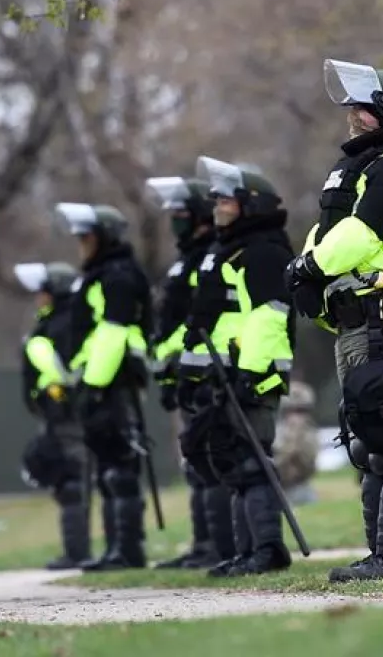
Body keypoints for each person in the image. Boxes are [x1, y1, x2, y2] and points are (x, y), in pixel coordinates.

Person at [284, 62, 383, 583]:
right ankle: (381, 552)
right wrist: (308, 269)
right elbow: (330, 228)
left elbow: (363, 232)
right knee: (367, 440)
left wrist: (310, 267)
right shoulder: (364, 163)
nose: (352, 116)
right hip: (357, 322)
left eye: (363, 108)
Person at [179, 156, 296, 578]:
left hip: (253, 376)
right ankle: (247, 552)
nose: (218, 206)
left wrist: (252, 374)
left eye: (228, 200)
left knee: (253, 462)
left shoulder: (263, 252)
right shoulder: (227, 249)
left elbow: (269, 317)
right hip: (226, 375)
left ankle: (268, 550)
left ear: (252, 204)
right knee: (234, 463)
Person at [53, 202, 154, 571]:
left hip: (115, 383)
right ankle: (115, 549)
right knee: (107, 470)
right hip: (100, 382)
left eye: (87, 236)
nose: (81, 243)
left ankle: (128, 551)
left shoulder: (118, 276)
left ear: (105, 238)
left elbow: (113, 332)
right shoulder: (96, 275)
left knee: (119, 470)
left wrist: (94, 385)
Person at [145, 175, 234, 570]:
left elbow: (199, 316)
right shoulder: (186, 258)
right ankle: (201, 544)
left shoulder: (209, 255)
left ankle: (219, 546)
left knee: (211, 461)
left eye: (181, 213)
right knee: (193, 461)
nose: (175, 221)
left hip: (202, 367)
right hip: (182, 369)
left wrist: (172, 354)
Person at [14, 261, 91, 571]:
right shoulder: (53, 323)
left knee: (72, 479)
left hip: (67, 415)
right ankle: (75, 551)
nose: (39, 298)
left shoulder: (65, 325)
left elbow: (65, 371)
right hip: (55, 413)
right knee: (65, 478)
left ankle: (78, 553)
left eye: (44, 292)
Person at [274, 380, 319, 506]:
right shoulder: (277, 431)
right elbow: (277, 463)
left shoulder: (310, 433)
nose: (297, 416)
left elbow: (310, 464)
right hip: (280, 489)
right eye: (293, 411)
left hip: (301, 486)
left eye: (301, 411)